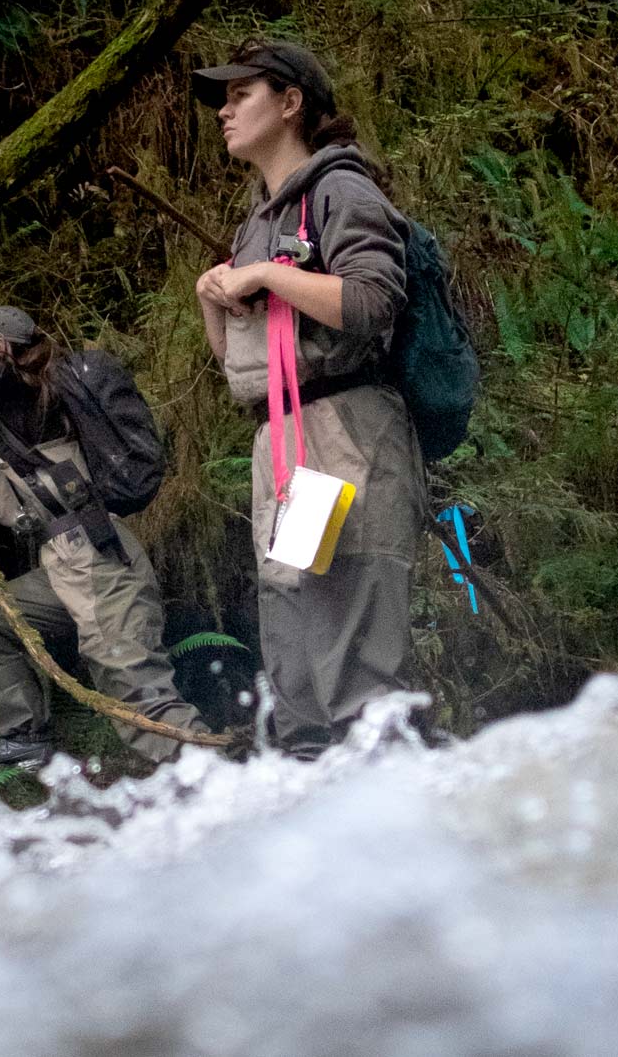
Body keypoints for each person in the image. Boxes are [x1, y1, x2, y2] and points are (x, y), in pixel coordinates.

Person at [0, 204, 207, 770]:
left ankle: (207, 778)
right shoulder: (20, 406)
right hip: (65, 564)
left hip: (98, 561)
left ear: (1, 350)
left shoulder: (28, 397)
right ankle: (25, 737)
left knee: (134, 684)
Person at [190, 39, 427, 758]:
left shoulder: (340, 190)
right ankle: (308, 820)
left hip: (349, 433)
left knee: (358, 667)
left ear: (291, 103)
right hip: (286, 444)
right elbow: (247, 366)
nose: (225, 110)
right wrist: (217, 295)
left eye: (242, 93)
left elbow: (372, 300)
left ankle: (396, 835)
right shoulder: (260, 217)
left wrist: (263, 273)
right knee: (294, 652)